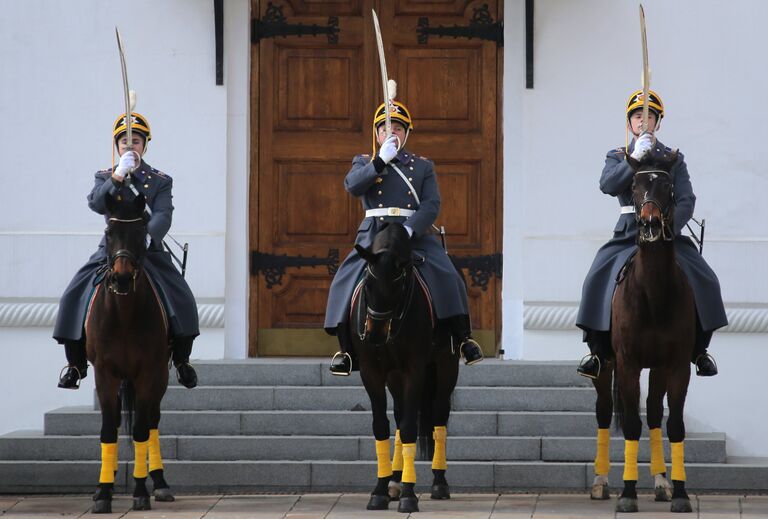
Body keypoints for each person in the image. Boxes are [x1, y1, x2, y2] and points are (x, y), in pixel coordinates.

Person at [324, 84, 484, 376]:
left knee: (448, 275)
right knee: (345, 279)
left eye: (397, 129)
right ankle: (346, 349)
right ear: (377, 134)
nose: (391, 134)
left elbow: (432, 204)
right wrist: (379, 161)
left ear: (407, 133)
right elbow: (352, 186)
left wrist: (411, 230)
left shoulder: (422, 166)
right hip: (375, 233)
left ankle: (462, 338)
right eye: (385, 129)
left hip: (413, 234)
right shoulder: (364, 162)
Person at [576, 90, 727, 379]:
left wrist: (671, 226)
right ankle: (596, 351)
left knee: (705, 278)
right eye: (637, 117)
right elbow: (608, 185)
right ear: (629, 123)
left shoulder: (672, 157)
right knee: (597, 276)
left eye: (649, 117)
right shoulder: (618, 155)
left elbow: (686, 199)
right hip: (628, 234)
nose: (643, 122)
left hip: (665, 232)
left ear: (658, 122)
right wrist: (633, 158)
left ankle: (699, 349)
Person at [54, 112, 199, 389]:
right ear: (116, 146)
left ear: (145, 145)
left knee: (181, 295)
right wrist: (118, 176)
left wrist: (147, 236)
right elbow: (97, 204)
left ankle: (182, 359)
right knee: (74, 294)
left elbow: (163, 214)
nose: (130, 146)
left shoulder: (159, 181)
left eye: (136, 141)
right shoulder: (105, 176)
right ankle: (75, 364)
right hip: (111, 250)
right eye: (124, 142)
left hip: (147, 250)